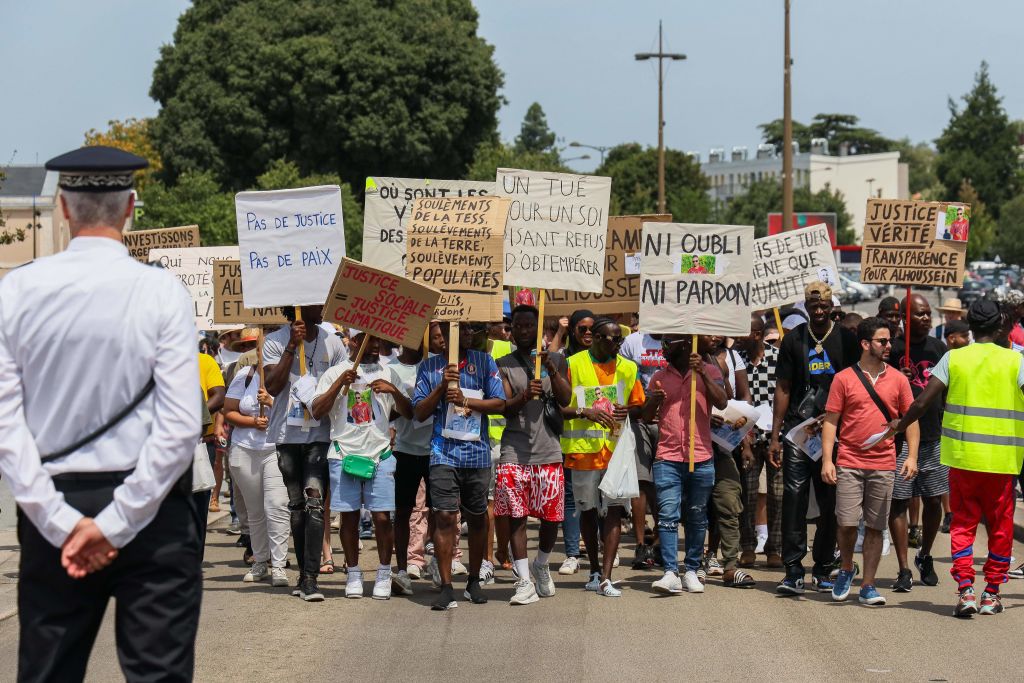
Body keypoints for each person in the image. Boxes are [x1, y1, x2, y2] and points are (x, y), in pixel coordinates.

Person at [0, 146, 201, 680]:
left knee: (48, 672)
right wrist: (117, 522)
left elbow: (6, 427)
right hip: (153, 509)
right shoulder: (163, 290)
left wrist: (62, 521)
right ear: (131, 206)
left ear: (62, 208)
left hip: (55, 506)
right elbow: (181, 427)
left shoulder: (16, 290)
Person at [887, 299, 1024, 617]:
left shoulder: (954, 358)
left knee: (963, 525)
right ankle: (991, 592)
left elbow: (922, 402)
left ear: (971, 328)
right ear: (1000, 325)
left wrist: (900, 424)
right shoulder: (1016, 361)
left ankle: (965, 591)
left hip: (962, 458)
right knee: (1000, 528)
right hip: (1002, 461)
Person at [770, 281, 860, 594]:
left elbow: (855, 384)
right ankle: (793, 569)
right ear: (806, 308)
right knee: (793, 498)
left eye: (823, 306)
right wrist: (775, 435)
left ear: (831, 305)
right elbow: (782, 387)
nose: (819, 312)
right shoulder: (793, 339)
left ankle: (823, 568)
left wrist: (839, 417)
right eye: (813, 307)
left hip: (835, 430)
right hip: (798, 430)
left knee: (830, 502)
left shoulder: (847, 340)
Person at [821, 318, 918, 606]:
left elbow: (911, 420)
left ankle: (868, 585)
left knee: (876, 527)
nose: (889, 346)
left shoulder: (899, 380)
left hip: (884, 463)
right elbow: (830, 422)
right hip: (849, 461)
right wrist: (828, 460)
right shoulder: (844, 378)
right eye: (882, 341)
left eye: (889, 341)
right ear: (865, 344)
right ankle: (847, 568)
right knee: (847, 523)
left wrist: (911, 456)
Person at [413, 322, 507, 610]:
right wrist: (442, 386)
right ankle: (445, 585)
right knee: (443, 516)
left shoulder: (484, 361)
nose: (465, 335)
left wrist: (467, 400)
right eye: (458, 330)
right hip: (443, 452)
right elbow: (418, 412)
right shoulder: (429, 367)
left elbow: (500, 402)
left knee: (478, 517)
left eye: (469, 330)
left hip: (477, 453)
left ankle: (475, 580)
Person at [311, 332, 410, 600]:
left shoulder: (388, 373)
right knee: (350, 518)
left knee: (381, 518)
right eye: (366, 339)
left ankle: (383, 573)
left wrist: (394, 391)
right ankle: (353, 573)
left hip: (380, 455)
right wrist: (339, 385)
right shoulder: (336, 372)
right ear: (352, 342)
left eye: (378, 340)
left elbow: (408, 412)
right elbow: (317, 411)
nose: (374, 344)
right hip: (344, 454)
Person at [263, 304, 346, 602]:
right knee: (297, 505)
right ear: (297, 306)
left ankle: (310, 578)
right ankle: (302, 573)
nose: (324, 307)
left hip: (320, 436)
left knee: (314, 502)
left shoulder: (333, 342)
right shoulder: (275, 340)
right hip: (286, 436)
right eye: (317, 302)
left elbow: (344, 384)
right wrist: (291, 347)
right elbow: (272, 386)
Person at [561, 317, 645, 597]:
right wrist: (585, 411)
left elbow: (639, 408)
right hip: (583, 453)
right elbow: (559, 406)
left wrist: (628, 412)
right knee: (587, 512)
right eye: (610, 338)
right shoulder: (573, 364)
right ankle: (594, 569)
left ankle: (607, 577)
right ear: (595, 338)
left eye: (619, 339)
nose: (616, 344)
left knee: (614, 511)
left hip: (616, 451)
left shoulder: (629, 367)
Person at [495, 305, 572, 604]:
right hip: (515, 449)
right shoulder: (503, 363)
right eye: (518, 325)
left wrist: (552, 368)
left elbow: (566, 398)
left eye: (529, 325)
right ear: (512, 330)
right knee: (517, 516)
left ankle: (541, 564)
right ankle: (524, 580)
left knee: (552, 517)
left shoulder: (555, 359)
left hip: (548, 448)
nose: (524, 330)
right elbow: (503, 406)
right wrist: (524, 395)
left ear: (538, 329)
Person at [644, 335, 728, 595]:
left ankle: (691, 570)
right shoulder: (659, 375)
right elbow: (647, 417)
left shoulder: (710, 370)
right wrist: (654, 401)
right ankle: (670, 571)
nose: (663, 348)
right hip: (668, 455)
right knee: (667, 515)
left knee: (696, 515)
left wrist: (701, 372)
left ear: (684, 345)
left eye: (668, 344)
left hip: (701, 455)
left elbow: (722, 401)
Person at [887, 295, 947, 591]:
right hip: (900, 439)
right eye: (919, 314)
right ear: (905, 318)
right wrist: (897, 376)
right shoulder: (892, 350)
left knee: (934, 499)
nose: (926, 318)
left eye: (928, 314)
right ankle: (903, 568)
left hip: (933, 436)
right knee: (898, 501)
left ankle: (924, 554)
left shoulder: (940, 350)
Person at [222, 329, 290, 588]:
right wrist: (252, 421)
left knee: (277, 505)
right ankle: (260, 561)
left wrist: (272, 402)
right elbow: (229, 411)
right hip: (244, 449)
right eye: (264, 349)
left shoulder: (290, 377)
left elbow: (301, 411)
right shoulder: (245, 375)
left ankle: (279, 565)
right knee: (255, 511)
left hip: (275, 449)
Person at [392, 322, 444, 589]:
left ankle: (437, 561)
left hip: (435, 449)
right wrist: (405, 399)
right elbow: (390, 412)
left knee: (438, 511)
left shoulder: (438, 366)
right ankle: (402, 569)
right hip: (405, 449)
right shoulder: (391, 369)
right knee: (403, 511)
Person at [706, 335, 756, 587]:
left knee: (728, 501)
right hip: (687, 449)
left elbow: (730, 406)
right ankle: (688, 565)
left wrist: (746, 442)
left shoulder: (718, 364)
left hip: (721, 448)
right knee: (692, 509)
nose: (712, 336)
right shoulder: (674, 364)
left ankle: (730, 565)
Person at [736, 314, 783, 569]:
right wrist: (744, 441)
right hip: (747, 438)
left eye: (744, 332)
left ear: (756, 335)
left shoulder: (778, 359)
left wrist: (778, 436)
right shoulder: (736, 360)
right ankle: (747, 547)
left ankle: (774, 548)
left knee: (778, 494)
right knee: (748, 494)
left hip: (775, 437)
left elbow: (785, 396)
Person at [620, 323, 667, 569]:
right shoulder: (633, 342)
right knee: (640, 482)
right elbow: (624, 378)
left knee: (663, 483)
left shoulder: (678, 338)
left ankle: (659, 544)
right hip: (638, 419)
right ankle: (640, 545)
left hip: (669, 421)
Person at [555, 309, 595, 574]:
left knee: (599, 500)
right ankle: (572, 553)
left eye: (593, 329)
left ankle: (598, 549)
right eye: (582, 329)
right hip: (570, 441)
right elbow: (560, 401)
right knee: (570, 498)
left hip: (600, 443)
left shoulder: (606, 360)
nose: (588, 333)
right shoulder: (565, 360)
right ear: (572, 332)